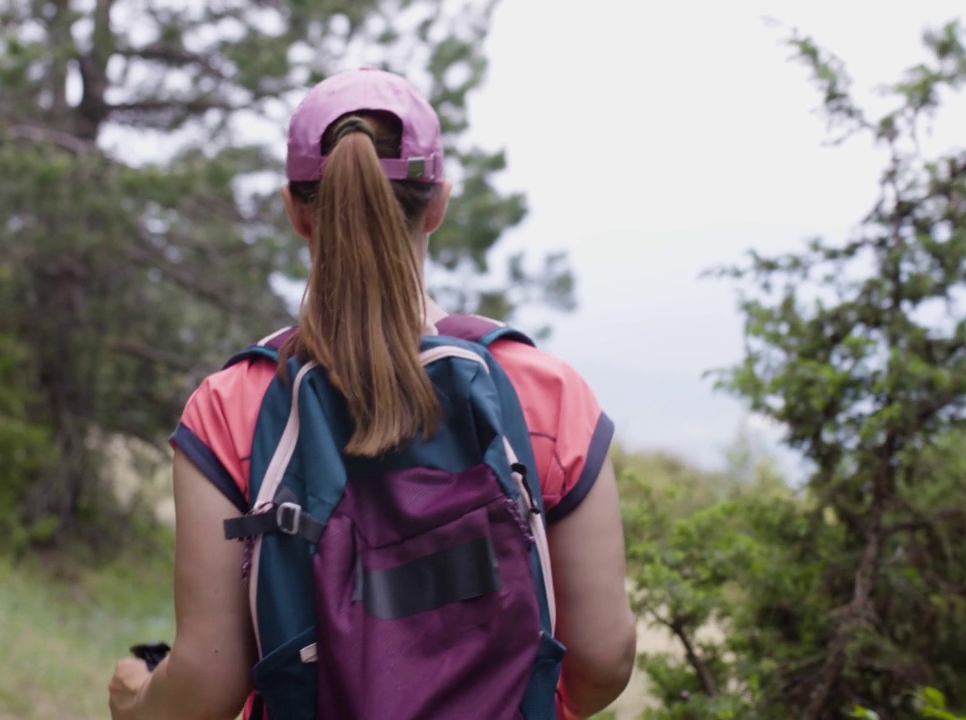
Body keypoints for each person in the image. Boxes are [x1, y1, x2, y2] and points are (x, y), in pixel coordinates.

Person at [107, 67, 636, 720]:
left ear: (297, 211)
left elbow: (207, 684)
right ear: (438, 203)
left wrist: (136, 700)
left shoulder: (232, 406)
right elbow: (604, 659)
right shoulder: (546, 395)